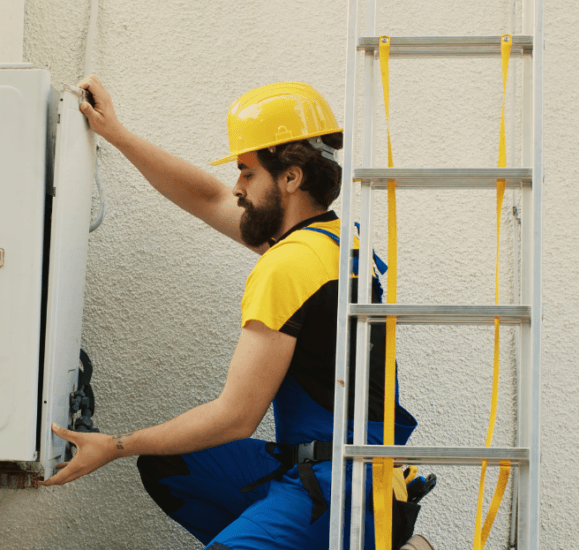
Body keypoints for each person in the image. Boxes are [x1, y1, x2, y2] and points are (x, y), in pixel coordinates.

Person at [41, 76, 423, 550]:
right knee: (171, 464)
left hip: (340, 487)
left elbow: (235, 417)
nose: (237, 187)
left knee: (158, 450)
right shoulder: (336, 241)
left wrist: (116, 445)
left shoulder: (288, 266)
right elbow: (208, 199)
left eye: (246, 172)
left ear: (290, 177)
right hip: (356, 471)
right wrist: (117, 134)